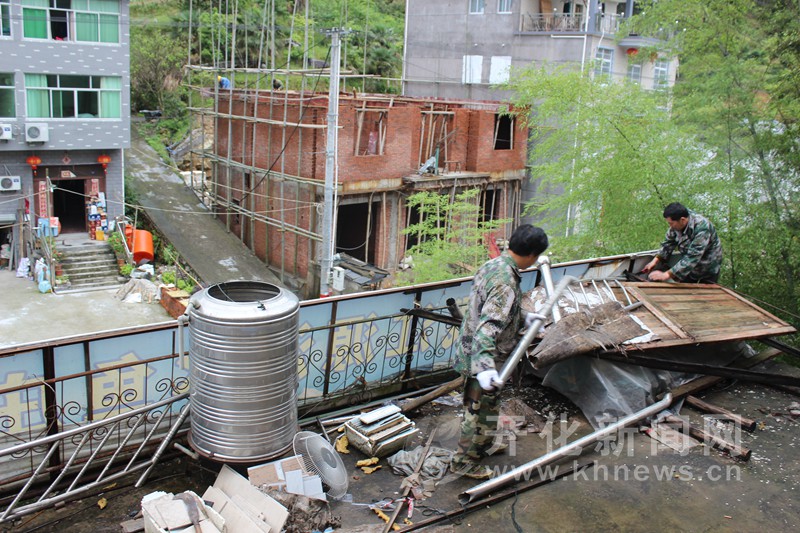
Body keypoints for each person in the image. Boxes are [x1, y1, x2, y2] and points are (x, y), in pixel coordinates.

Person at [449, 224, 549, 479]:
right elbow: (488, 327)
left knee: (482, 409)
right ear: (532, 254)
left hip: (473, 350)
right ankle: (465, 462)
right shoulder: (506, 281)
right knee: (480, 412)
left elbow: (489, 307)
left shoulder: (494, 266)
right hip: (485, 357)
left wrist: (523, 317)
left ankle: (483, 446)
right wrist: (485, 369)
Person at [641, 202, 722, 284]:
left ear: (682, 220)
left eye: (671, 223)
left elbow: (693, 256)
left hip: (708, 266)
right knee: (685, 291)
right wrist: (655, 261)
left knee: (706, 294)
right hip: (688, 268)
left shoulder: (702, 227)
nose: (670, 226)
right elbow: (668, 243)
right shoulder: (677, 222)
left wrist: (666, 275)